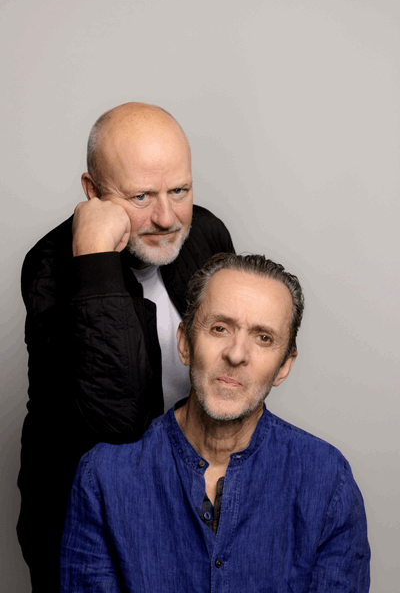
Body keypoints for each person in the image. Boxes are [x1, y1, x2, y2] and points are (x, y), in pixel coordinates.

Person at [17, 103, 235, 591]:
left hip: (183, 500)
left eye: (179, 191)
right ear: (93, 192)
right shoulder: (51, 266)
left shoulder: (206, 234)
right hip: (80, 515)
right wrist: (95, 259)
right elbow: (116, 418)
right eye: (140, 196)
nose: (167, 217)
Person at [59, 253, 370, 592]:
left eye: (263, 338)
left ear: (283, 366)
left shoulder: (327, 480)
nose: (236, 354)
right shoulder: (104, 476)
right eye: (220, 328)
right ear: (185, 343)